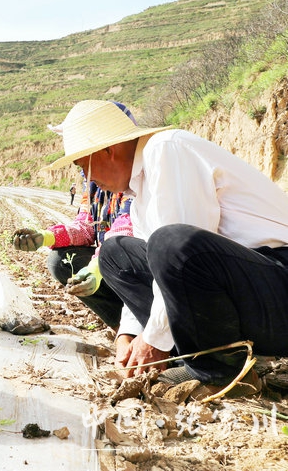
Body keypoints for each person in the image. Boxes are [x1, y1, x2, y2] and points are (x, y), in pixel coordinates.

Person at [43, 100, 288, 389]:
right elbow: (161, 270)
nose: (89, 179)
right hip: (249, 294)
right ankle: (196, 356)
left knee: (170, 242)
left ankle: (221, 373)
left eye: (85, 167)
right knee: (115, 253)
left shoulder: (166, 149)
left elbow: (180, 250)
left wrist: (153, 339)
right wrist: (129, 334)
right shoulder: (140, 196)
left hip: (278, 284)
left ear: (106, 151)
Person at [12, 179, 130, 330]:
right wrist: (47, 236)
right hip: (114, 262)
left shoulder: (134, 181)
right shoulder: (93, 183)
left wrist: (97, 267)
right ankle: (123, 329)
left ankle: (141, 331)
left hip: (142, 268)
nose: (86, 173)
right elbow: (85, 226)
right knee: (61, 261)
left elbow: (126, 231)